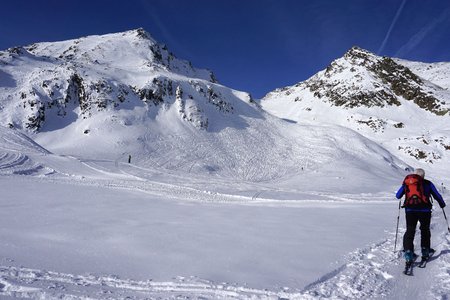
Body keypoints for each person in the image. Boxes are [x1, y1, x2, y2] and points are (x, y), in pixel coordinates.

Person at [396, 168, 446, 262]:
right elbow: (437, 195)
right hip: (425, 211)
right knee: (425, 230)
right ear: (423, 176)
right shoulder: (428, 183)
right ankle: (425, 251)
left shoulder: (407, 182)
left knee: (410, 231)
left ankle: (408, 253)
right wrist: (442, 204)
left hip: (410, 211)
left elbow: (398, 195)